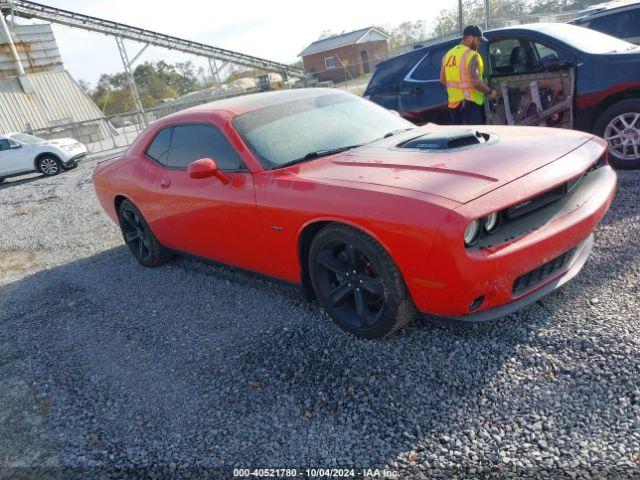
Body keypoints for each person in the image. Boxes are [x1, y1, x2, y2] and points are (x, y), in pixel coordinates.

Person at [440, 24, 497, 125]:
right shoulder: (472, 56)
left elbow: (443, 80)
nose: (480, 43)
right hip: (471, 107)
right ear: (470, 38)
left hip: (454, 107)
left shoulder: (448, 55)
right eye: (478, 40)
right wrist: (489, 91)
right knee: (474, 138)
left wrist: (458, 93)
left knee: (460, 139)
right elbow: (474, 82)